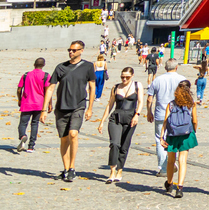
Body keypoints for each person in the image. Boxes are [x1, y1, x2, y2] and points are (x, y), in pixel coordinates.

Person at [44, 39, 95, 182]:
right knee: (64, 139)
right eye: (69, 50)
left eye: (74, 50)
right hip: (61, 107)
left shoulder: (88, 66)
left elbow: (92, 87)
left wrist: (90, 107)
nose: (70, 52)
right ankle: (66, 169)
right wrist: (43, 109)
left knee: (73, 134)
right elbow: (51, 88)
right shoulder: (60, 67)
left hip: (78, 106)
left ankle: (72, 167)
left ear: (81, 51)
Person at [97, 66, 140, 184]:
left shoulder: (137, 85)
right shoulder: (116, 87)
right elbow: (110, 105)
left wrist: (137, 114)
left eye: (127, 77)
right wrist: (102, 121)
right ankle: (112, 171)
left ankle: (120, 170)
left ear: (132, 76)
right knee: (114, 144)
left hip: (131, 118)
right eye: (122, 77)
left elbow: (140, 102)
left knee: (124, 146)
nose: (124, 79)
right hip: (116, 117)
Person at [147, 57, 183, 181]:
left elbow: (149, 98)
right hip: (177, 115)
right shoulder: (182, 79)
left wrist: (148, 111)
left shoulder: (158, 80)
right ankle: (172, 162)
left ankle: (163, 168)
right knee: (175, 139)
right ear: (176, 67)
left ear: (166, 67)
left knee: (159, 139)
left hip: (160, 114)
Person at [161, 80, 198, 198]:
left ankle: (170, 183)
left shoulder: (171, 104)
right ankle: (180, 187)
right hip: (186, 134)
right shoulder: (191, 104)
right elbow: (195, 121)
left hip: (172, 134)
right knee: (182, 161)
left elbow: (165, 121)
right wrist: (194, 130)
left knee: (171, 160)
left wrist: (162, 136)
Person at [16, 57, 50, 153]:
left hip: (27, 103)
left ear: (34, 64)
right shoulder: (46, 76)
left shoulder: (26, 75)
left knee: (23, 123)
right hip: (40, 104)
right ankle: (31, 146)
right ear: (43, 65)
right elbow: (48, 91)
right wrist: (49, 104)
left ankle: (23, 136)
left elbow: (19, 89)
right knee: (35, 124)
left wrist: (19, 99)